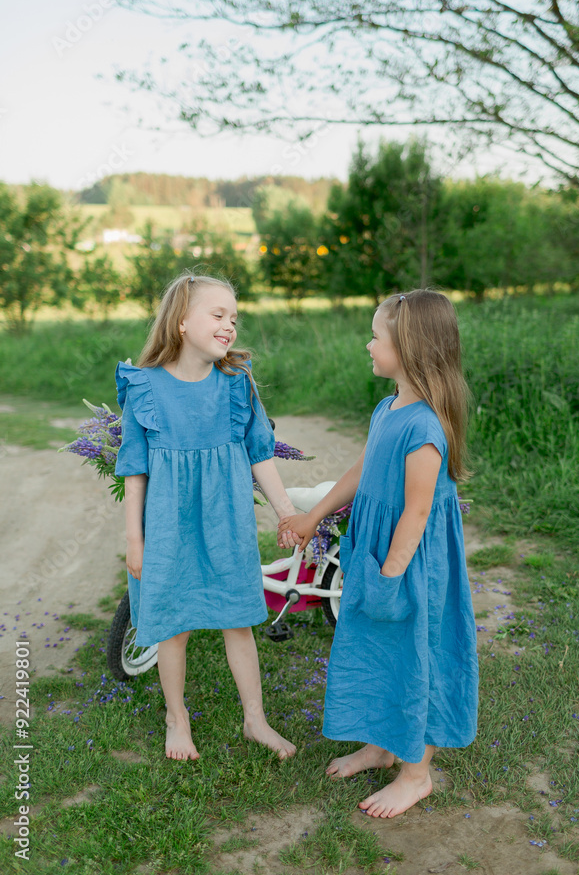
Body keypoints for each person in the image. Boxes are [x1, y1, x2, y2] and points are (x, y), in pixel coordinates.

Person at [277, 289, 478, 818]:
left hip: (408, 563)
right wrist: (314, 516)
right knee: (379, 648)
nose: (368, 345)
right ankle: (381, 746)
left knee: (417, 652)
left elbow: (417, 512)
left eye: (376, 337)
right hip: (376, 552)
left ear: (409, 348)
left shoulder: (424, 427)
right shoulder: (388, 409)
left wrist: (390, 575)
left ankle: (416, 775)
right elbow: (361, 471)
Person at [115, 273, 299, 761]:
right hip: (168, 526)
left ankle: (255, 720)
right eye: (218, 315)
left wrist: (286, 513)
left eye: (234, 317)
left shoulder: (237, 384)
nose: (229, 325)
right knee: (173, 624)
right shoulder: (145, 387)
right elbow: (134, 470)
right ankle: (176, 718)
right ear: (181, 321)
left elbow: (260, 454)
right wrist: (135, 540)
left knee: (238, 618)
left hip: (226, 523)